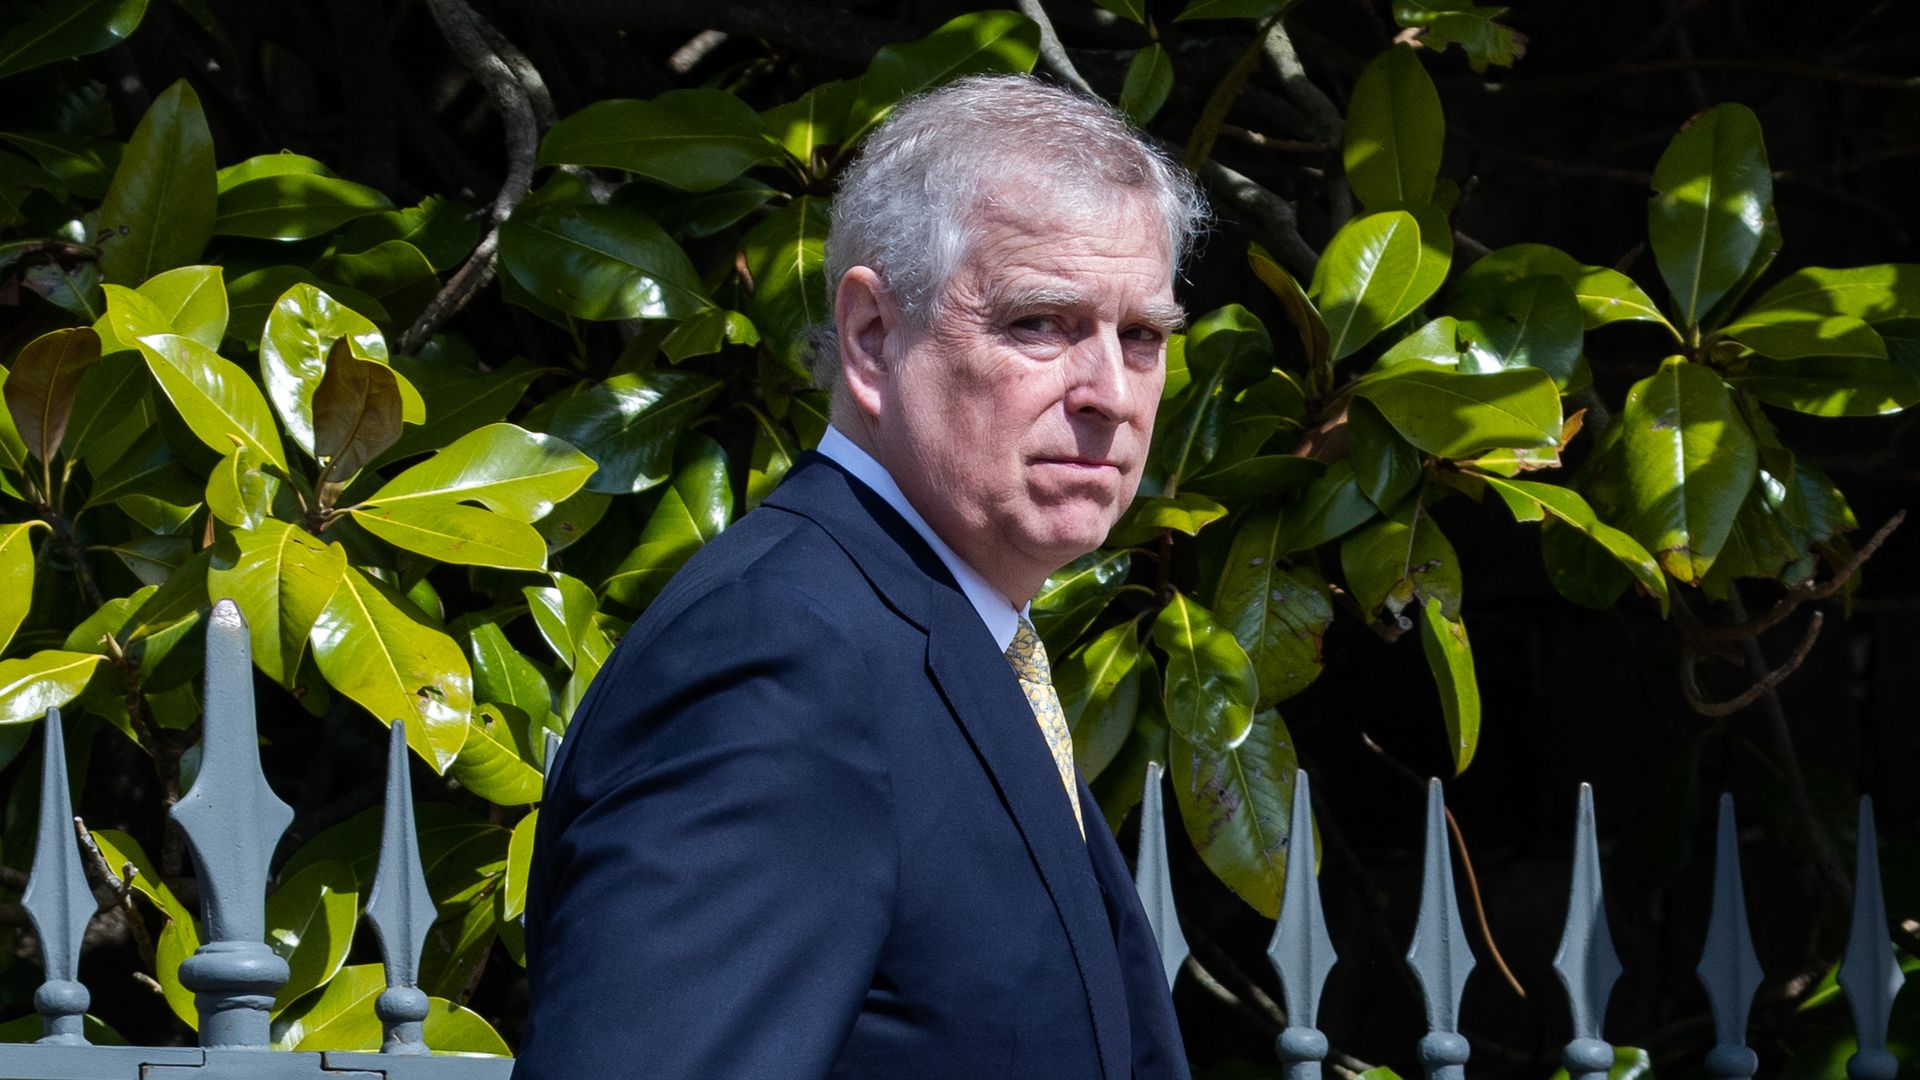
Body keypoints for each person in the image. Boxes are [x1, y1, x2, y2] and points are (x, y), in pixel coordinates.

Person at [514, 73, 1207, 1079]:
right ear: (873, 337)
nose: (1110, 393)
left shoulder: (937, 630)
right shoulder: (783, 659)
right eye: (1039, 323)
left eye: (1141, 336)